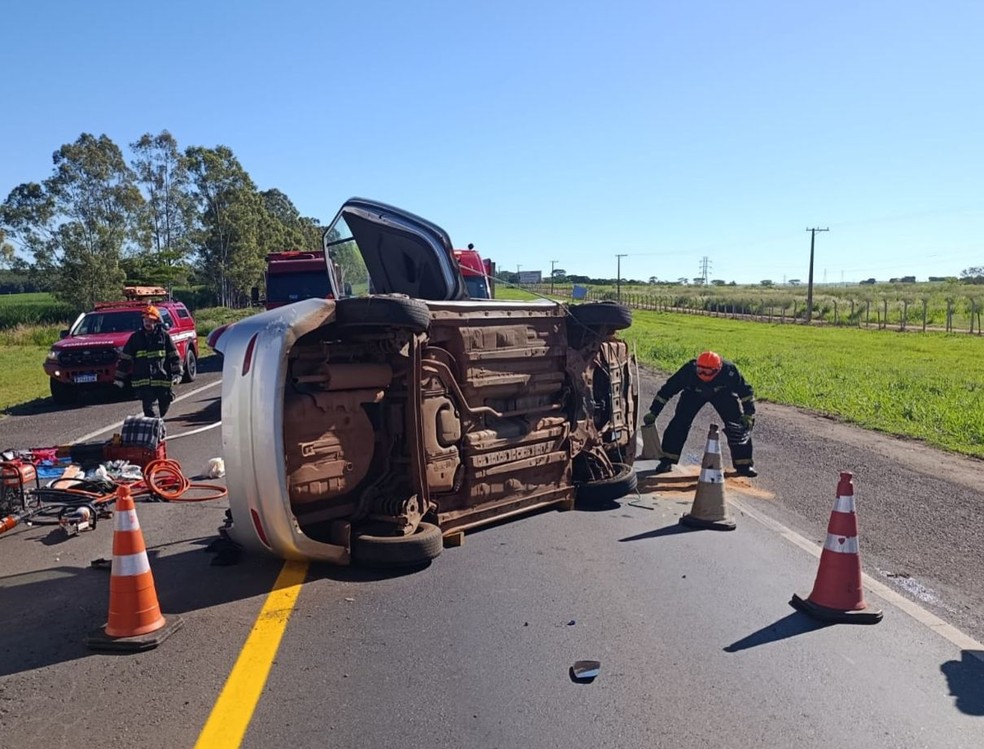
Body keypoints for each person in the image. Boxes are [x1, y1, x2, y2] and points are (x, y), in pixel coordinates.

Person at [643, 350, 758, 477]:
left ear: (718, 369)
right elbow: (666, 391)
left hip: (723, 393)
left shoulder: (729, 371)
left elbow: (746, 393)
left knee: (738, 426)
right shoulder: (688, 371)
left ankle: (744, 465)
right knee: (679, 423)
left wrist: (748, 414)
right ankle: (667, 460)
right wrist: (654, 412)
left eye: (708, 372)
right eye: (700, 370)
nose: (703, 374)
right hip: (693, 393)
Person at [114, 305, 182, 418]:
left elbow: (174, 356)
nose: (147, 323)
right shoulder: (135, 338)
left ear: (157, 321)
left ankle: (158, 424)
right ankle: (155, 431)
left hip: (162, 380)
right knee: (150, 409)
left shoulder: (164, 337)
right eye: (145, 320)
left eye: (150, 320)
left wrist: (177, 374)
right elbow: (125, 359)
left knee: (164, 406)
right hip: (143, 381)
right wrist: (119, 379)